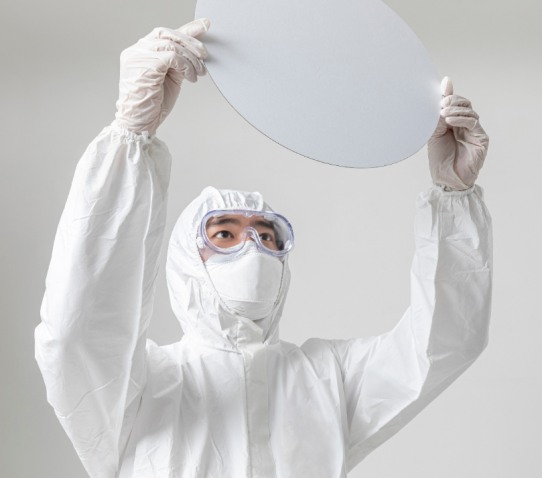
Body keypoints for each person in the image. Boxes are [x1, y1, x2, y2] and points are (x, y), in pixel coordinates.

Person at [35, 18, 492, 478]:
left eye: (267, 236)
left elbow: (444, 342)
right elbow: (78, 330)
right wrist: (130, 138)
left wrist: (453, 197)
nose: (252, 249)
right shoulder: (142, 385)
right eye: (225, 235)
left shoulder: (326, 378)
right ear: (187, 260)